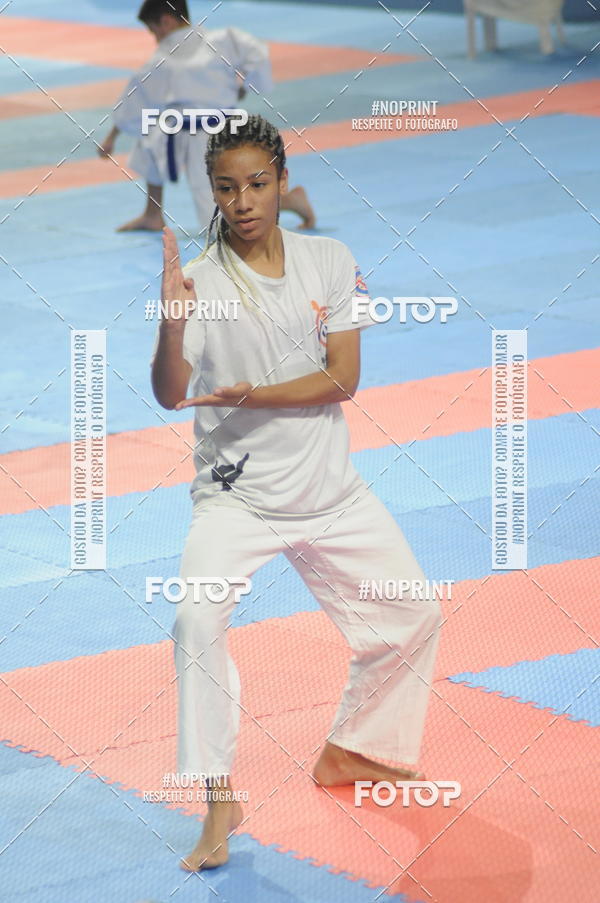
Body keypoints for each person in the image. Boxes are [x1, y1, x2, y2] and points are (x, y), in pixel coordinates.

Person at [151, 114, 441, 872]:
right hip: (236, 499)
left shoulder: (329, 259)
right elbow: (169, 393)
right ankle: (219, 795)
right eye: (225, 187)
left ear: (282, 180)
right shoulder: (202, 284)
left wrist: (258, 395)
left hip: (333, 492)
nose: (242, 200)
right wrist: (171, 329)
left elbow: (343, 376)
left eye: (256, 183)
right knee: (194, 619)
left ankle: (353, 750)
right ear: (211, 193)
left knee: (413, 612)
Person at [98, 0, 315, 233]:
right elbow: (138, 95)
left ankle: (290, 201)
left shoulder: (207, 44)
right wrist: (245, 85)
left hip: (217, 134)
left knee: (220, 213)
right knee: (151, 145)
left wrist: (112, 136)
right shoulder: (220, 41)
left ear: (166, 21)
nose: (155, 37)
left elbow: (136, 96)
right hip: (181, 127)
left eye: (153, 30)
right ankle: (153, 214)